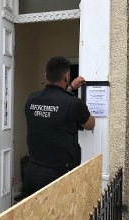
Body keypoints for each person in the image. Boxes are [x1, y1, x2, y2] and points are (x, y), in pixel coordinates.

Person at [24, 56, 95, 196]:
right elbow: (90, 124)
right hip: (56, 177)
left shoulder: (31, 99)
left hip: (32, 171)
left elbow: (53, 103)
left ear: (46, 76)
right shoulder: (73, 103)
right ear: (67, 76)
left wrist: (70, 88)